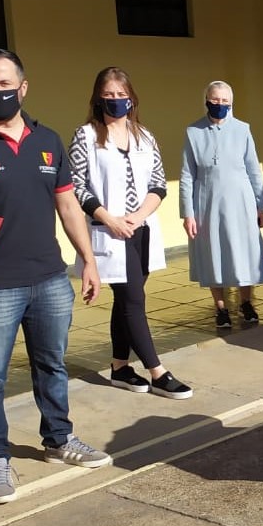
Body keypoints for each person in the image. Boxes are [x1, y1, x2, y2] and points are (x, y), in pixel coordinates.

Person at [0, 48, 112, 505]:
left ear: (23, 87)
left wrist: (88, 260)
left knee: (52, 364)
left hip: (49, 277)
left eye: (3, 83)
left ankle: (59, 440)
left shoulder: (47, 139)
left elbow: (68, 205)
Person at [69, 67, 192, 399]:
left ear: (132, 98)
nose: (115, 100)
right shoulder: (86, 136)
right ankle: (157, 372)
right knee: (134, 301)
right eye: (108, 95)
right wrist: (109, 219)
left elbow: (158, 183)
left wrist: (137, 217)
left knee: (125, 301)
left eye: (121, 95)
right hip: (109, 232)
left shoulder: (144, 136)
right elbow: (76, 186)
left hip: (141, 230)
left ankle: (120, 367)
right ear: (98, 99)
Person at [179, 80, 263, 329]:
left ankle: (246, 302)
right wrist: (187, 213)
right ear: (206, 100)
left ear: (231, 103)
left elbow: (253, 169)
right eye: (215, 100)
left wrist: (261, 204)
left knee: (243, 251)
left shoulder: (243, 129)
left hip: (241, 201)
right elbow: (187, 175)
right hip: (207, 202)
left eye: (224, 101)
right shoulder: (193, 131)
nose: (219, 104)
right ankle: (220, 307)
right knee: (213, 254)